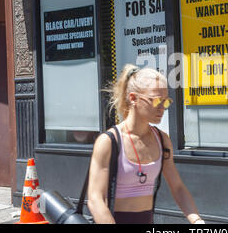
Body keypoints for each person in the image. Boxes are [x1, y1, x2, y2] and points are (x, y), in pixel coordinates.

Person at [87, 64, 204, 224]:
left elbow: (177, 187)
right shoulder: (109, 141)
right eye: (156, 101)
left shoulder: (162, 140)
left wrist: (197, 220)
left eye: (166, 102)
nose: (162, 108)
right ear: (133, 98)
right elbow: (95, 199)